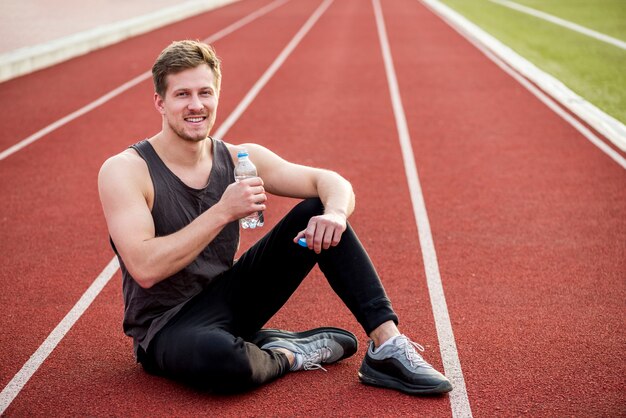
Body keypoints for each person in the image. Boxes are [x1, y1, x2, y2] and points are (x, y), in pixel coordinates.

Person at [98, 39, 452, 395]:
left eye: (205, 92)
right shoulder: (126, 170)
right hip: (167, 327)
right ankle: (286, 353)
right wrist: (223, 211)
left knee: (317, 209)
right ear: (160, 101)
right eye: (182, 95)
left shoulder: (240, 158)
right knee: (225, 363)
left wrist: (336, 215)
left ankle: (386, 346)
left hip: (230, 300)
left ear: (217, 95)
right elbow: (144, 268)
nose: (196, 105)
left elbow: (330, 181)